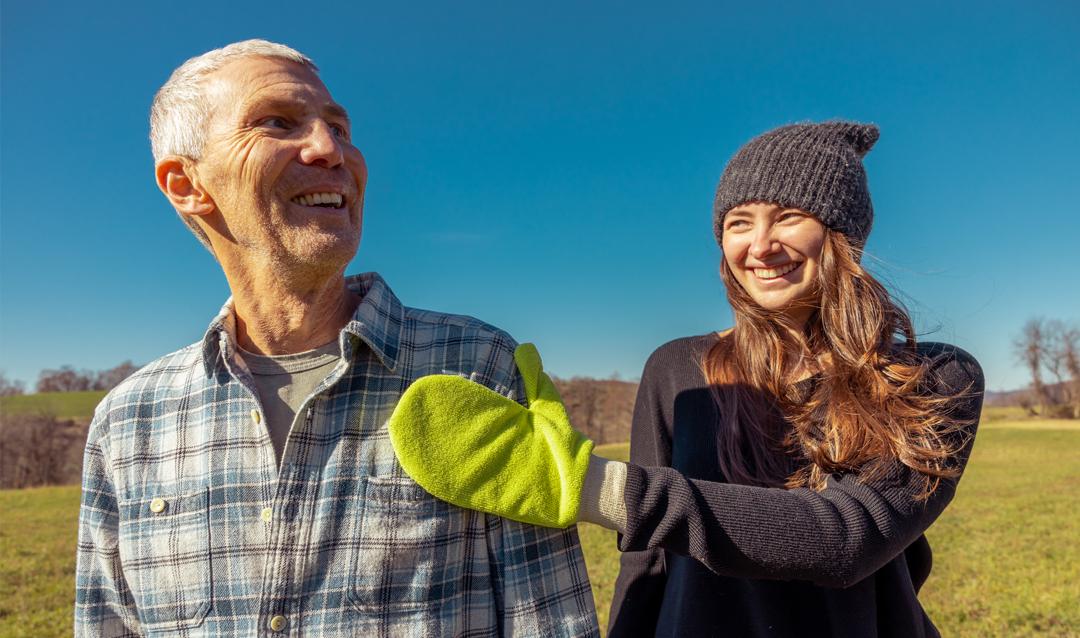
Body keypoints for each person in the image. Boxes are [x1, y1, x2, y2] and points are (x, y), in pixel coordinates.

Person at [74, 40, 598, 637]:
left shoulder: (476, 365)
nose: (332, 150)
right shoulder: (128, 422)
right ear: (186, 184)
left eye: (340, 128)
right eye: (278, 121)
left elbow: (551, 622)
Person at [388, 121, 984, 638]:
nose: (760, 244)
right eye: (738, 222)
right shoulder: (679, 370)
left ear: (842, 235)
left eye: (790, 217)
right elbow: (645, 560)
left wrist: (593, 485)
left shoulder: (932, 377)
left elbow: (850, 536)